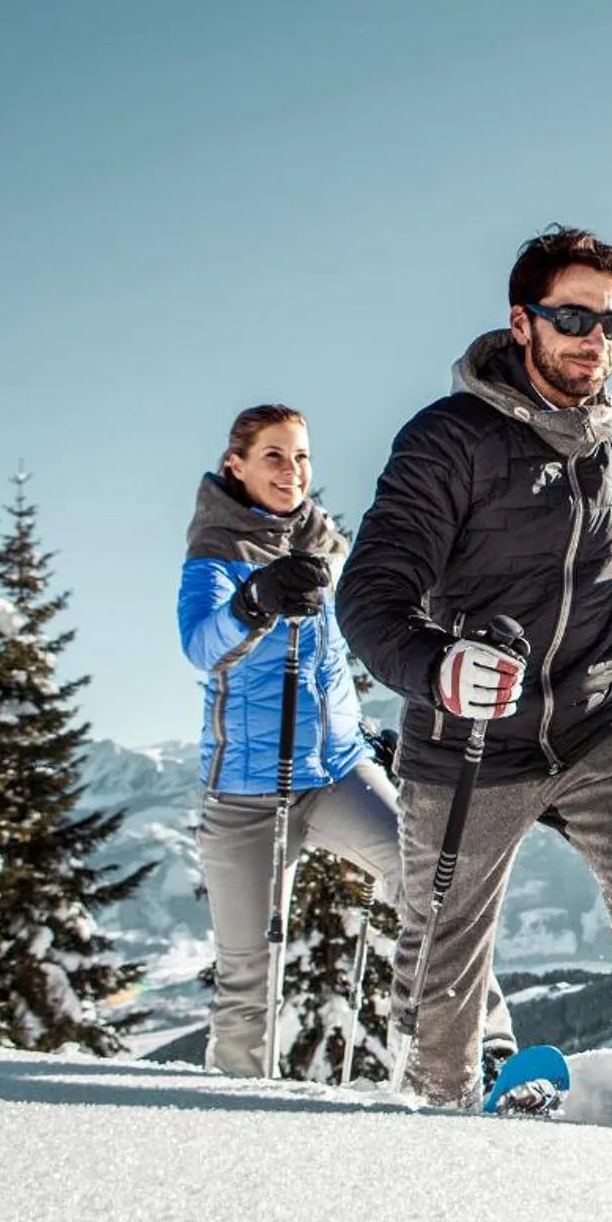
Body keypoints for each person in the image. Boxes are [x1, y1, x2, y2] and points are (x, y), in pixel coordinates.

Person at [336, 226, 612, 1154]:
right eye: (574, 317)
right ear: (521, 322)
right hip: (467, 740)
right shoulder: (448, 441)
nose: (595, 339)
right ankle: (439, 1132)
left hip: (596, 722)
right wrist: (439, 665)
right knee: (443, 963)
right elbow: (370, 594)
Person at [179, 404, 516, 1080]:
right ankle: (232, 1105)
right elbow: (202, 645)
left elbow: (332, 661)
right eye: (274, 456)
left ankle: (488, 1050)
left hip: (337, 772)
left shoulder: (325, 546)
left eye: (301, 456)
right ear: (236, 466)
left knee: (431, 888)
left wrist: (360, 732)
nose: (292, 470)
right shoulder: (216, 554)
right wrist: (254, 601)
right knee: (248, 972)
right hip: (247, 793)